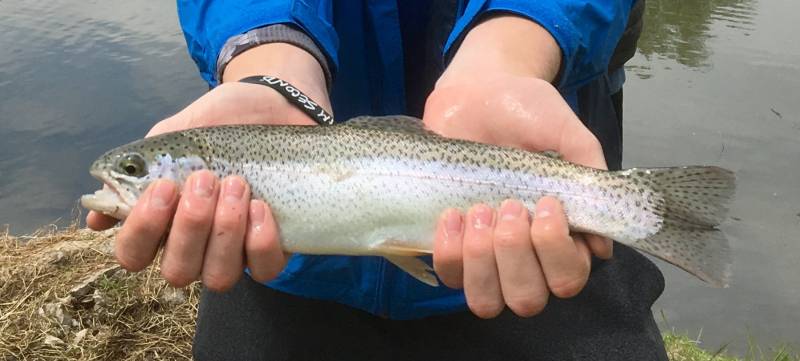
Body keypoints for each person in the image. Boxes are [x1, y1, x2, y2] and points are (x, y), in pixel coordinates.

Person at [88, 0, 667, 360]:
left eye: (134, 171)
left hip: (540, 245)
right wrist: (268, 57)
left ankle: (639, 210)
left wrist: (512, 52)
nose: (124, 180)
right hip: (289, 287)